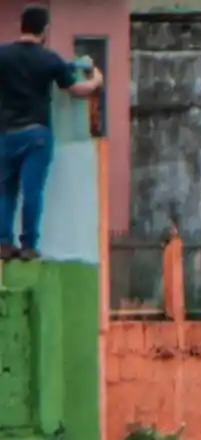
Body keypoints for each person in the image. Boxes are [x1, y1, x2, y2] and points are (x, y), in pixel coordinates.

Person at [0, 5, 104, 261]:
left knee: (5, 191)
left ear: (21, 26)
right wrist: (96, 81)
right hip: (36, 134)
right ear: (45, 30)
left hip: (6, 134)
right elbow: (76, 89)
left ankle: (3, 243)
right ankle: (28, 245)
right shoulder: (49, 59)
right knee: (32, 190)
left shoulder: (3, 55)